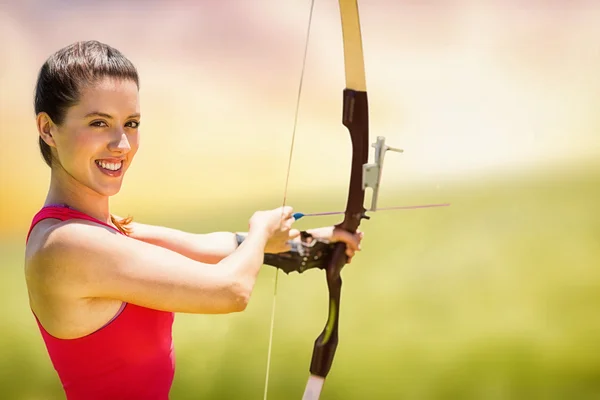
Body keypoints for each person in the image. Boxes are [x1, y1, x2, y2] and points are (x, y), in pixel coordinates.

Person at [24, 40, 364, 400]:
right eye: (98, 123)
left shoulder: (103, 231)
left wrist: (312, 239)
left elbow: (208, 247)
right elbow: (230, 291)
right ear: (48, 129)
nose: (122, 143)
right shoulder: (65, 245)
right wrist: (261, 230)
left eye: (132, 123)